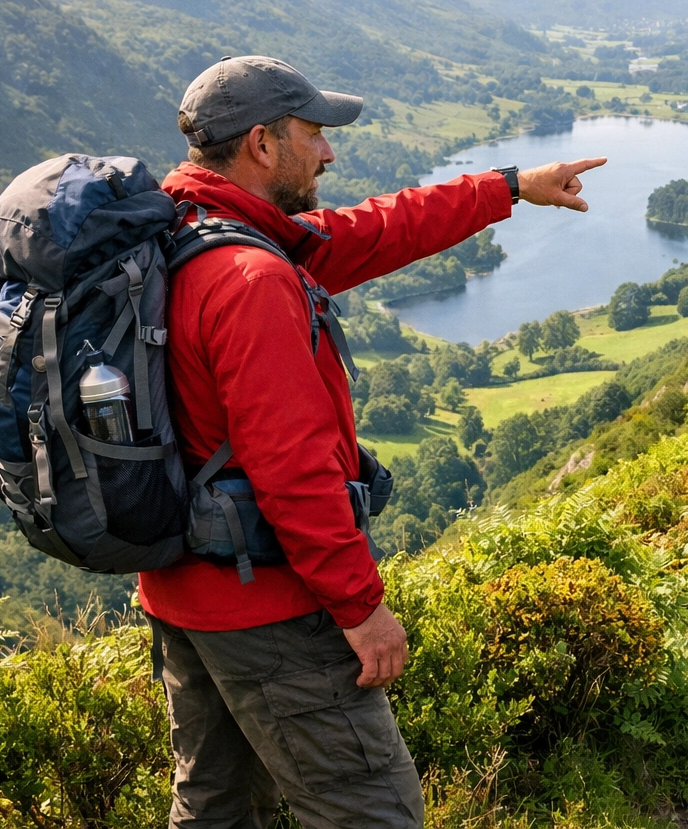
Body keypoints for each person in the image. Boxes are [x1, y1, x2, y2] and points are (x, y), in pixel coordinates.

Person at [142, 56, 606, 829]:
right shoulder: (251, 279)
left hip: (184, 593)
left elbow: (377, 229)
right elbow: (294, 471)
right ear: (262, 143)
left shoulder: (186, 233)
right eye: (314, 135)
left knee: (215, 807)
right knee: (373, 811)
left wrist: (509, 186)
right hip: (271, 606)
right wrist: (362, 608)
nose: (328, 153)